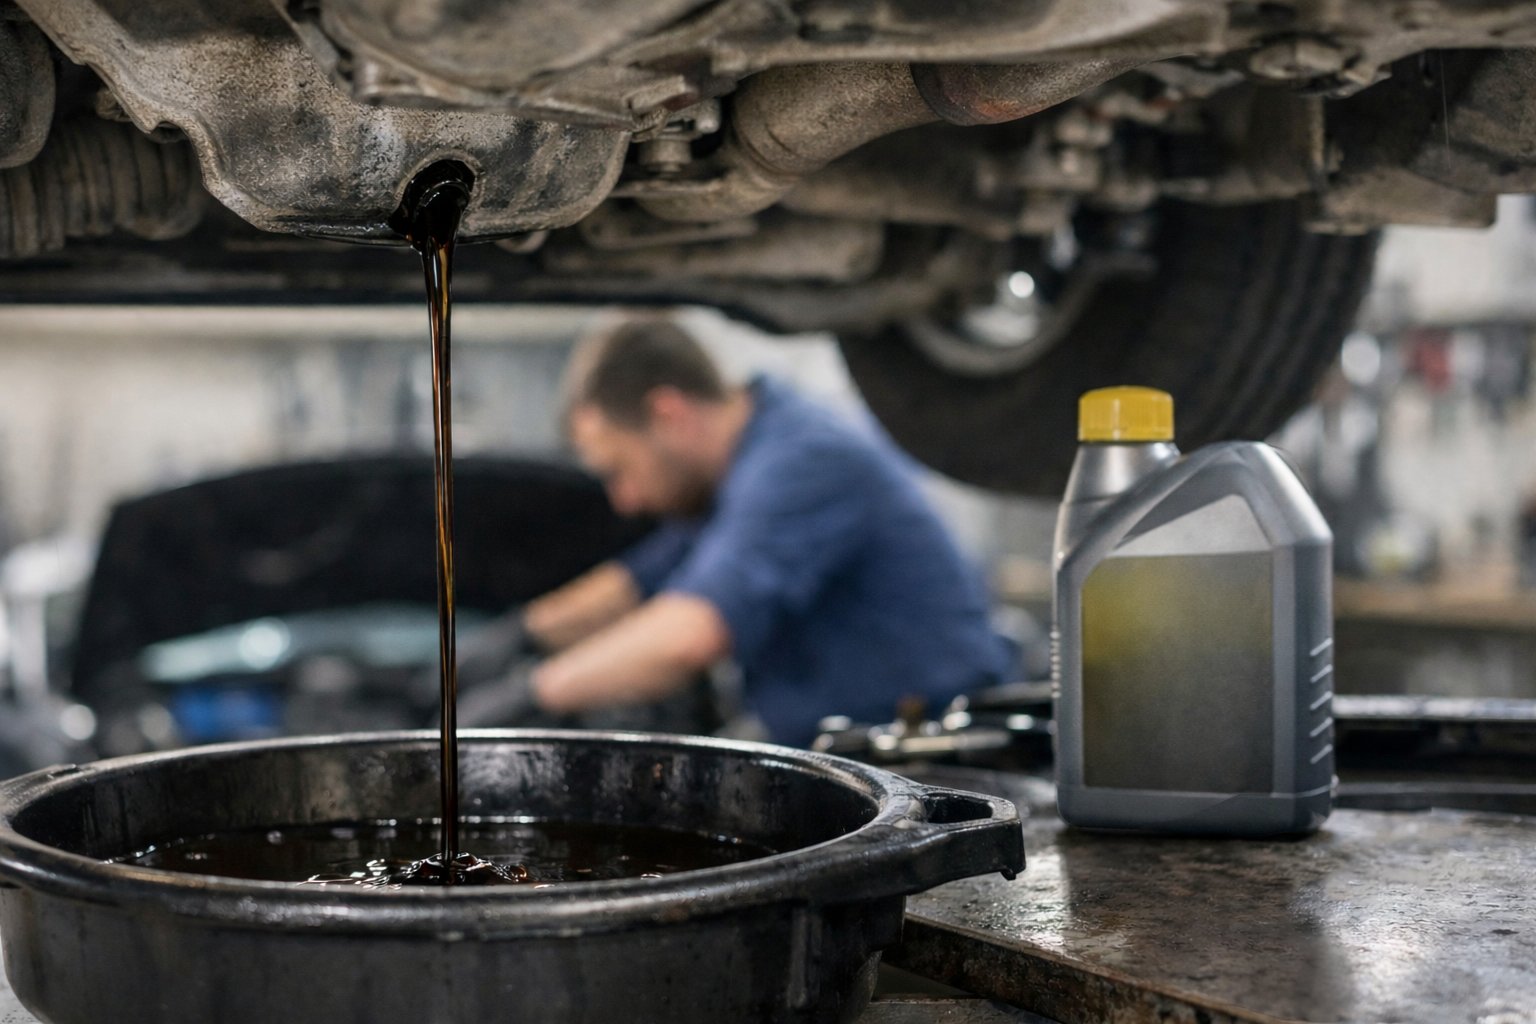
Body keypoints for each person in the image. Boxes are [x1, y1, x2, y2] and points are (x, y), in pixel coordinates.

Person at [470, 317, 1012, 747]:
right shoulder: (733, 468)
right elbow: (638, 581)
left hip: (935, 761)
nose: (624, 499)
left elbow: (690, 634)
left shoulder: (800, 461)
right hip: (853, 748)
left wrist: (531, 695)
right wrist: (519, 635)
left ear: (668, 414)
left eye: (619, 469)